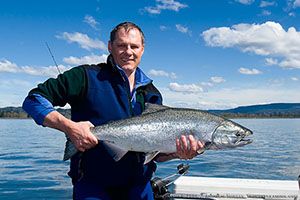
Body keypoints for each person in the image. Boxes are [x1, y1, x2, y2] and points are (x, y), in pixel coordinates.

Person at [22, 21, 204, 200]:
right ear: (110, 47)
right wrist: (69, 127)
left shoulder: (152, 94)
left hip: (141, 189)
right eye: (121, 45)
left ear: (142, 49)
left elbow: (155, 154)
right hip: (93, 189)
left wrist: (176, 153)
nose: (128, 52)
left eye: (134, 46)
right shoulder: (85, 76)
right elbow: (33, 100)